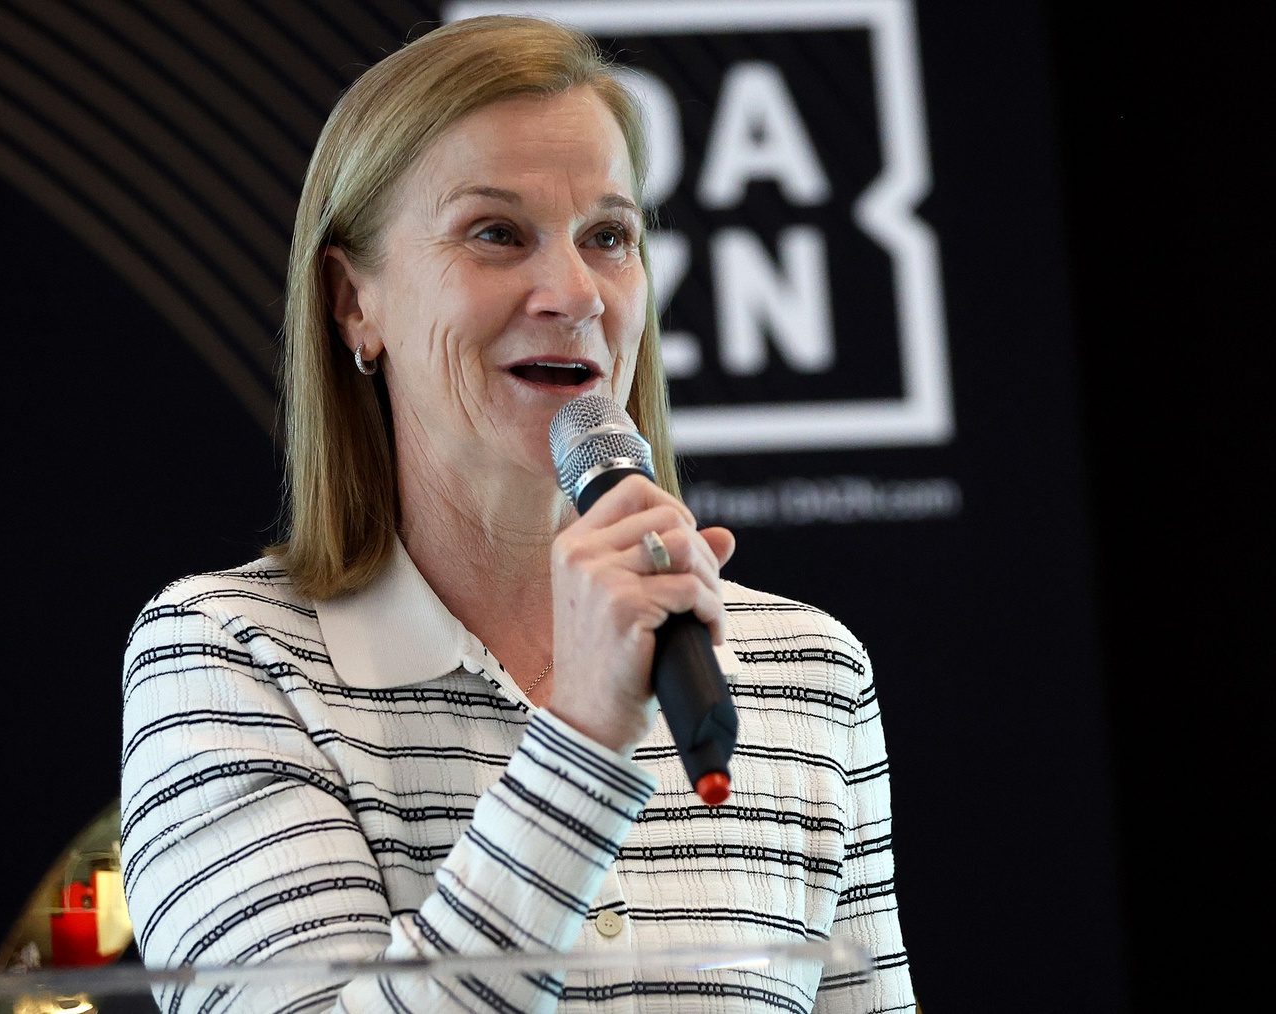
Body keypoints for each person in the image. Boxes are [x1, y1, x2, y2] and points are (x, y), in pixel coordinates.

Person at [120, 14, 915, 1013]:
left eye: (609, 237)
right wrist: (584, 735)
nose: (575, 292)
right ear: (352, 300)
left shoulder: (808, 673)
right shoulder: (228, 661)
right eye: (497, 233)